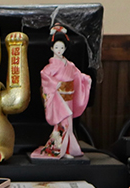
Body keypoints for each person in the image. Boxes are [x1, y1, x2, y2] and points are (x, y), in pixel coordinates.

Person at [33, 24, 92, 159]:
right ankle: (60, 150)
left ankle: (67, 150)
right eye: (57, 47)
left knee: (68, 124)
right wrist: (55, 84)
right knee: (62, 124)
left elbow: (77, 75)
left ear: (65, 48)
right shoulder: (50, 67)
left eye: (62, 47)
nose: (59, 50)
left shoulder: (69, 65)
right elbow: (44, 76)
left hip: (69, 97)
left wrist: (85, 79)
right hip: (58, 97)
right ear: (52, 48)